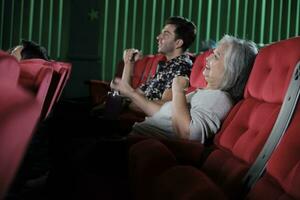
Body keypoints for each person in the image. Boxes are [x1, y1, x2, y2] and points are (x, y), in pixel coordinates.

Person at [111, 35, 258, 143]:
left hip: (143, 147)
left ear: (232, 70)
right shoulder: (204, 93)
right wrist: (129, 92)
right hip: (135, 138)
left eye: (216, 56)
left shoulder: (219, 98)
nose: (207, 59)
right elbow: (162, 113)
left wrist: (178, 91)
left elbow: (187, 134)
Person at [101, 16, 197, 116]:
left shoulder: (181, 67)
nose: (158, 37)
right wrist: (129, 63)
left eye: (166, 34)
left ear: (178, 43)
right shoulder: (166, 65)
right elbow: (129, 93)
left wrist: (129, 100)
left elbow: (165, 108)